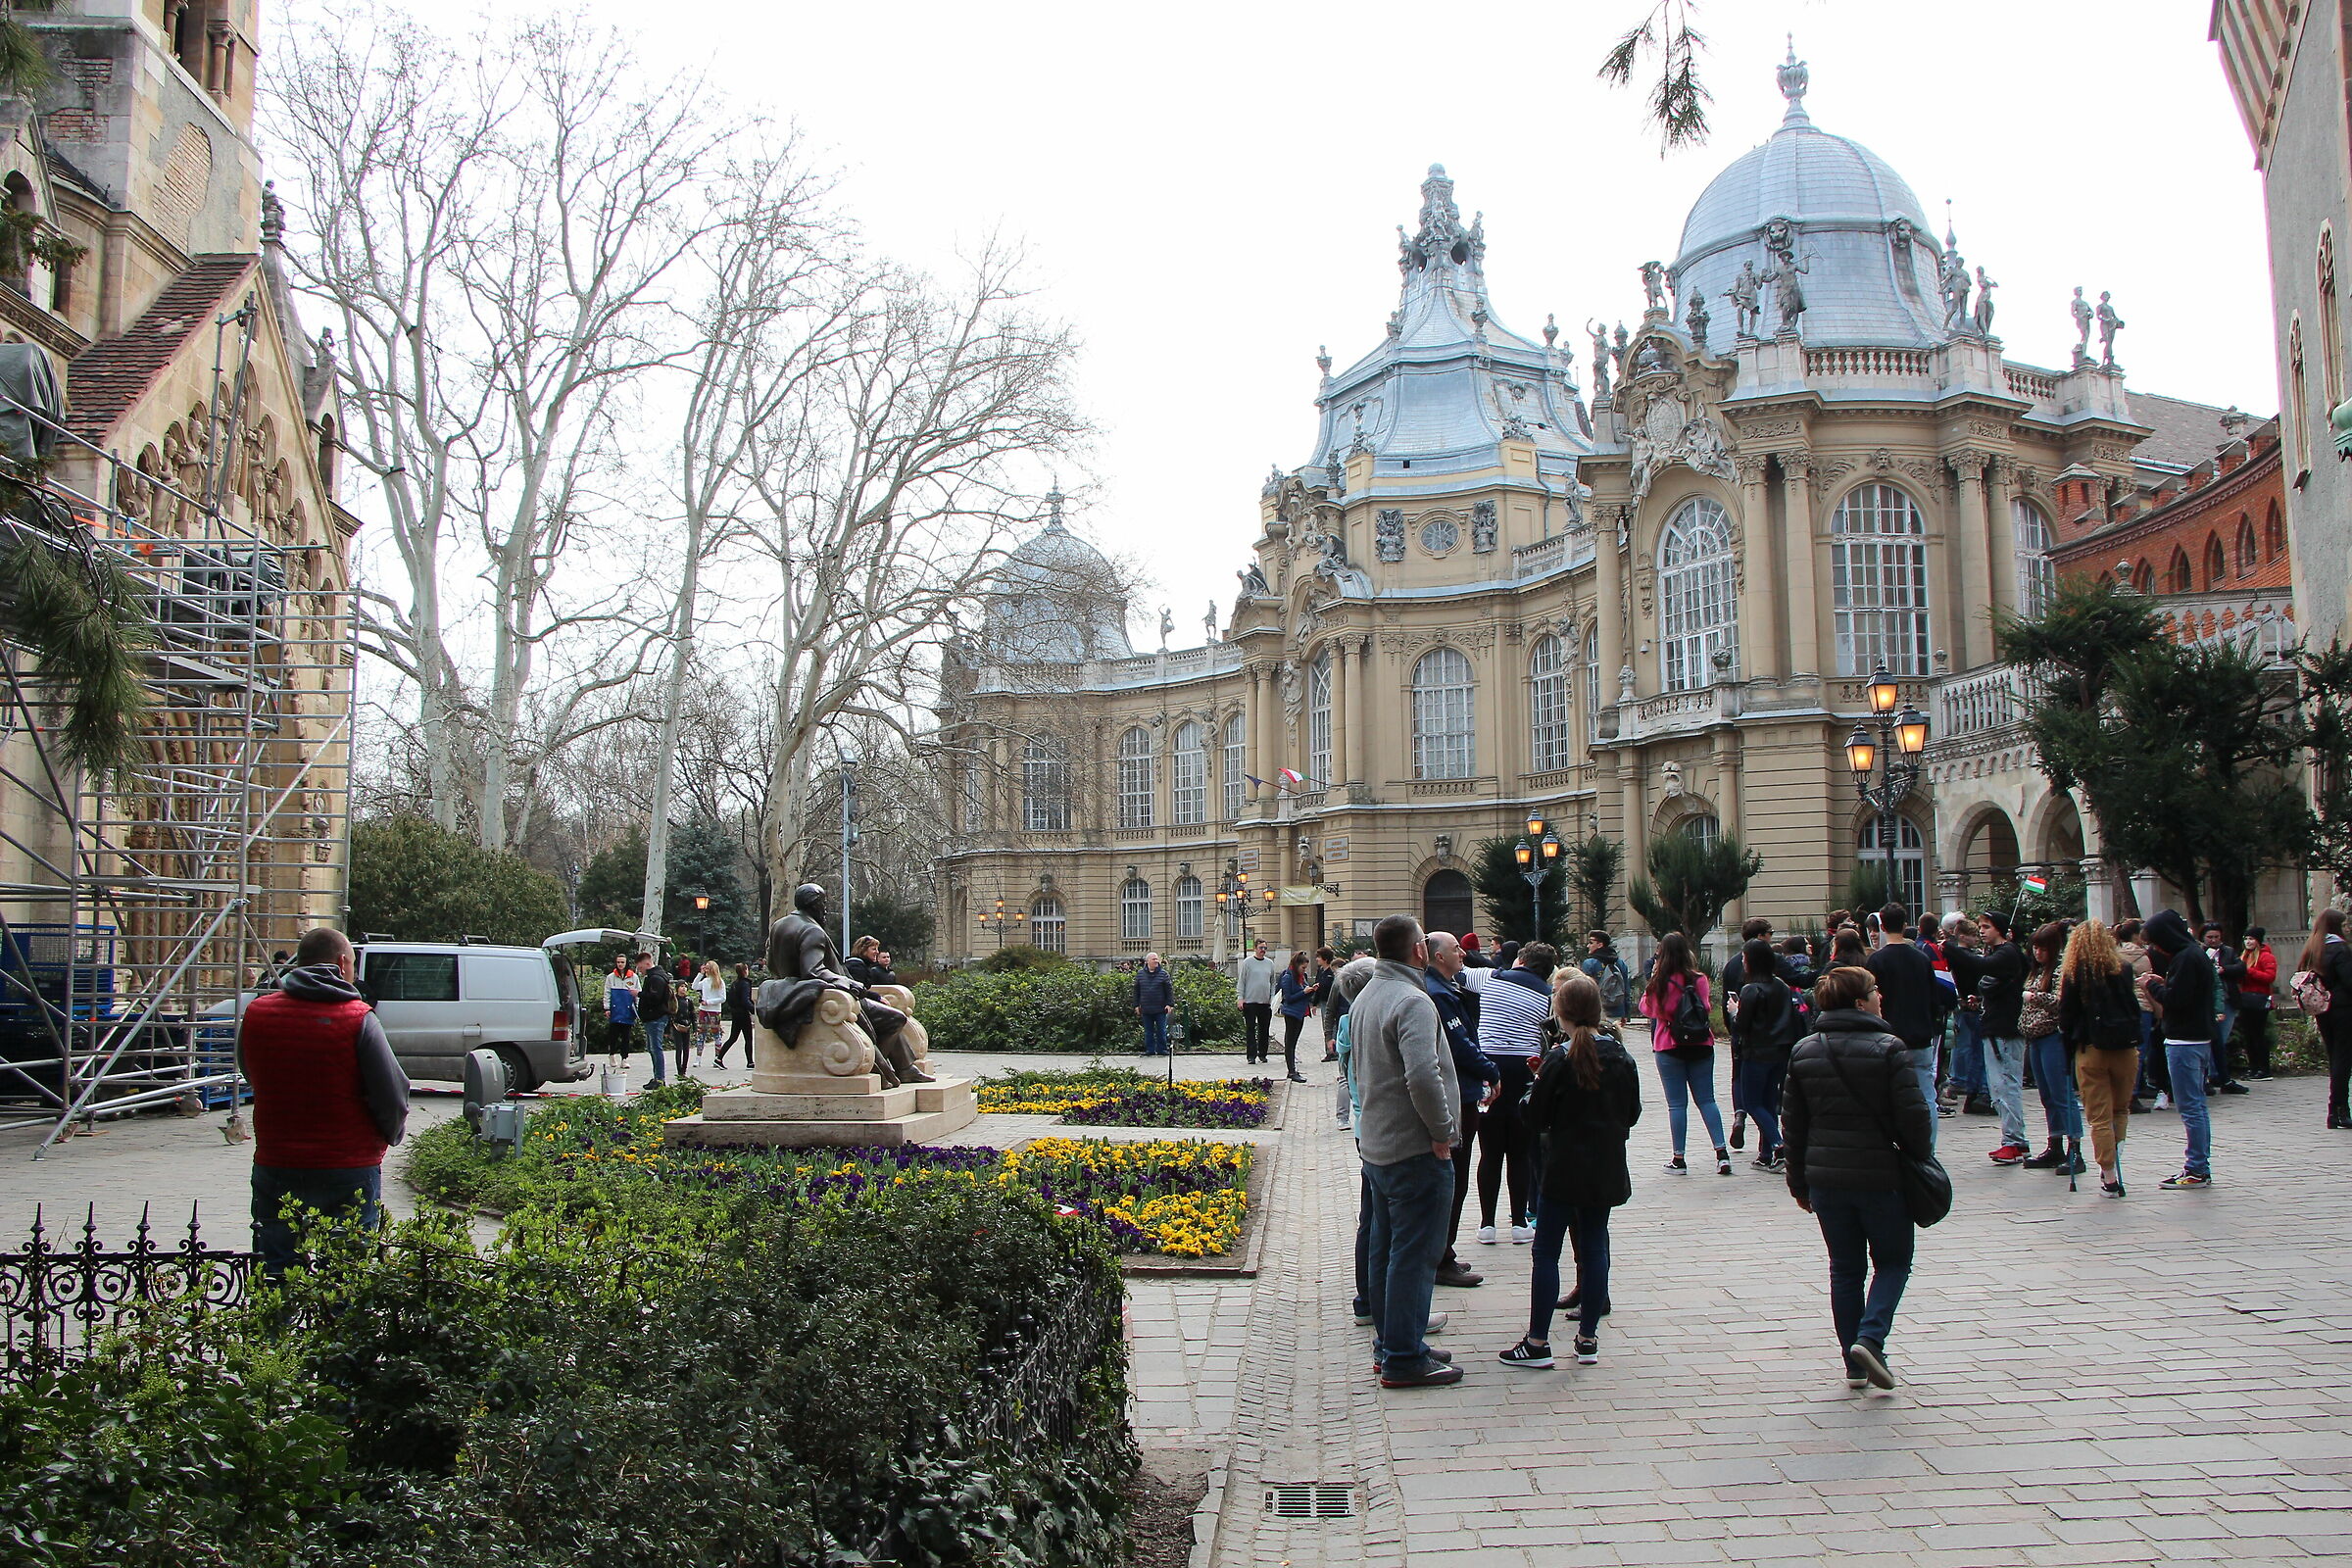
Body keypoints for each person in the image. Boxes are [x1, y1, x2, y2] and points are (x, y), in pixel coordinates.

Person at [1782, 965, 1935, 1393]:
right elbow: (1914, 1118)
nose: (1880, 995)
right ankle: (1870, 1338)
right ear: (1859, 1002)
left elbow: (1793, 1125)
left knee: (1844, 1269)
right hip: (1882, 1176)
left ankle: (1852, 1358)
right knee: (1893, 1261)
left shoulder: (1805, 1050)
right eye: (1874, 990)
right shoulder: (1890, 1048)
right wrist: (1921, 1159)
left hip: (1826, 1178)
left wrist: (1799, 1183)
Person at [236, 927, 410, 1276]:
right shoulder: (358, 1018)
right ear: (343, 963)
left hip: (277, 1162)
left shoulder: (258, 1013)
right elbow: (392, 1095)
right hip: (348, 1165)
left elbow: (250, 1072)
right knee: (344, 1274)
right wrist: (389, 1136)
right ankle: (339, 1331)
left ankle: (276, 1331)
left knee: (278, 1271)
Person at [1499, 973, 1641, 1370]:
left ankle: (1538, 1340)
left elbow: (1534, 1115)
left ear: (1560, 1013)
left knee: (1547, 1252)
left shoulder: (1559, 1059)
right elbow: (1632, 1113)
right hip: (1606, 1165)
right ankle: (1588, 1338)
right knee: (1595, 1248)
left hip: (1562, 1166)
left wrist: (1534, 1084)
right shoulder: (1620, 1056)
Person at [1350, 914, 1466, 1388]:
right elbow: (1422, 1075)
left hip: (1377, 1143)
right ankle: (1403, 1356)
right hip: (1413, 1148)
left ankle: (1394, 1342)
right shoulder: (1412, 1001)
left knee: (1385, 1250)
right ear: (1419, 951)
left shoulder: (1365, 995)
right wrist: (1443, 1130)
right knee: (1414, 1254)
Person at [1424, 932, 1500, 1287]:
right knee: (1453, 1177)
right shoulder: (1438, 993)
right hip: (1458, 1096)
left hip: (1463, 1091)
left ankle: (1445, 1251)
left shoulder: (1445, 988)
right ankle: (1440, 1256)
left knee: (1455, 1177)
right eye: (1456, 949)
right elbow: (1460, 1045)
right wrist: (1490, 1070)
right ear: (1439, 957)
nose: (1463, 953)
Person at [1473, 943, 1555, 1245]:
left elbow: (1460, 975)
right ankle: (1520, 1222)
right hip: (1525, 1071)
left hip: (1489, 1070)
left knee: (1490, 1152)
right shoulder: (1546, 995)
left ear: (1520, 959)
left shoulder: (1491, 978)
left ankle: (1486, 1224)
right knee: (1520, 1152)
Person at [2059, 920, 2142, 1197]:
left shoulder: (2075, 974)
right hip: (2125, 1048)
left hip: (2091, 1048)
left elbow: (2066, 1018)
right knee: (2120, 1110)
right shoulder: (2124, 969)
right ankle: (2114, 1158)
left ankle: (2108, 1174)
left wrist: (2066, 1051)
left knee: (2099, 1116)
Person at [1637, 931, 1732, 1176]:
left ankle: (1679, 1158)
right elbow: (1706, 1007)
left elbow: (1647, 1009)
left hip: (1669, 1044)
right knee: (1707, 1099)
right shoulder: (1699, 979)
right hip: (1701, 1043)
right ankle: (1721, 1153)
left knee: (1677, 1104)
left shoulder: (1659, 981)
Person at [2140, 909, 2218, 1189]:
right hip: (2196, 1038)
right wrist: (2165, 982)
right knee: (2196, 1105)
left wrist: (2152, 986)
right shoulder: (2194, 955)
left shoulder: (2185, 958)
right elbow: (2188, 992)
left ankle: (2196, 1168)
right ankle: (2198, 1164)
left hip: (2185, 1040)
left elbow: (2177, 1000)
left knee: (2190, 1107)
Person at [1947, 912, 2030, 1163]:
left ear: (2001, 930)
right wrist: (1982, 999)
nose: (1982, 931)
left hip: (2003, 1030)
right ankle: (2012, 1139)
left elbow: (1979, 966)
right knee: (1999, 1086)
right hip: (1996, 1027)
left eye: (1987, 927)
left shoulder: (2007, 953)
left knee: (2005, 1085)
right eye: (1981, 927)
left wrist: (1949, 948)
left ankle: (2014, 1141)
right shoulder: (2003, 954)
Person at [1865, 904, 1947, 1145]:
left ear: (1881, 926)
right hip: (1921, 1035)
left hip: (1888, 1038)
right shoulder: (1921, 958)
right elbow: (1934, 998)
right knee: (1926, 1095)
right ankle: (1927, 1147)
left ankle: (1896, 1144)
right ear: (1904, 925)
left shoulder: (1877, 961)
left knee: (1890, 1096)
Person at [2016, 922, 2084, 1175]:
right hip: (2034, 1038)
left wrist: (2035, 997)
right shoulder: (2037, 971)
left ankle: (2074, 1148)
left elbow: (2062, 1003)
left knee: (2062, 1094)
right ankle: (2054, 1143)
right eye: (2034, 947)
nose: (2037, 952)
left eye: (2042, 948)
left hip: (2052, 1036)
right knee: (2047, 1096)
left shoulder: (2060, 972)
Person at [1731, 937, 1802, 1170]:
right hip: (1780, 1051)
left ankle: (1779, 1145)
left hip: (1757, 1051)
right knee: (1769, 1101)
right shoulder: (1780, 985)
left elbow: (1741, 1025)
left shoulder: (1751, 990)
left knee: (1752, 1102)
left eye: (1744, 958)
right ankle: (1765, 1153)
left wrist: (1734, 1011)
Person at [2298, 908, 2352, 1127]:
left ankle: (2334, 1110)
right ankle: (2339, 1108)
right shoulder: (2339, 948)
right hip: (2343, 1008)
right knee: (2343, 1058)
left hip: (2322, 1009)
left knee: (2335, 1056)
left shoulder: (2313, 948)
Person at [2200, 923, 2251, 1094]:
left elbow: (2241, 968)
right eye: (2210, 937)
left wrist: (2224, 970)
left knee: (2221, 1039)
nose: (2214, 940)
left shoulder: (2228, 952)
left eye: (2216, 937)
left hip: (2228, 999)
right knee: (2209, 1041)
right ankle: (2207, 1075)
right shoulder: (2198, 953)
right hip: (2208, 1002)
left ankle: (2218, 1074)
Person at [2114, 916, 2159, 1108]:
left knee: (2130, 1051)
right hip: (2143, 1005)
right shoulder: (2143, 956)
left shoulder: (2115, 954)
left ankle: (2130, 1089)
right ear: (2135, 935)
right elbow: (2147, 984)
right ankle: (2132, 1093)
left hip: (2123, 1006)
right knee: (2140, 1051)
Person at [2236, 927, 2278, 1081]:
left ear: (2258, 941)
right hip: (2246, 999)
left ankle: (2264, 1069)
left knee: (2258, 1035)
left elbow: (2269, 977)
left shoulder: (2266, 957)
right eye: (2246, 939)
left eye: (2251, 939)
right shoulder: (2244, 957)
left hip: (2259, 1000)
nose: (2248, 942)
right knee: (2248, 1036)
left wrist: (2248, 971)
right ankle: (2253, 1067)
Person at [1237, 941, 1278, 1066]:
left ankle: (1263, 1054)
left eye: (1265, 948)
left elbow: (1273, 982)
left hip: (1265, 1002)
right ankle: (1251, 1056)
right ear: (1255, 948)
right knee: (1250, 1029)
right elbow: (1242, 981)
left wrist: (1272, 998)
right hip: (1250, 1001)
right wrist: (1240, 997)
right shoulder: (1247, 963)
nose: (1263, 950)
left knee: (1264, 1029)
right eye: (1261, 948)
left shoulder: (1269, 963)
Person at [1275, 951, 1314, 1082]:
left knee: (1294, 1042)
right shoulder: (1287, 977)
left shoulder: (1302, 977)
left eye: (1305, 968)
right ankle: (1291, 1071)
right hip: (1291, 1012)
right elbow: (1289, 998)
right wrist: (1304, 992)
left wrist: (1312, 990)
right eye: (1303, 968)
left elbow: (1305, 994)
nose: (1304, 970)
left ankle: (1292, 1069)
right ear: (1296, 965)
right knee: (1290, 1043)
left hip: (1300, 1012)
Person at [634, 952, 673, 1084]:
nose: (640, 971)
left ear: (647, 963)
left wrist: (639, 994)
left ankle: (660, 1078)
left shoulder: (656, 978)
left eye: (640, 968)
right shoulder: (653, 977)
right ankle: (657, 1076)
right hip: (652, 1017)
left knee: (656, 1048)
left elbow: (655, 998)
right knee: (652, 1048)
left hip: (656, 1017)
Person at [1582, 931, 1635, 1022]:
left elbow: (1585, 991)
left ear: (1600, 945)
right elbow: (1626, 989)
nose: (1588, 946)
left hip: (1596, 1011)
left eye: (1591, 943)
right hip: (1617, 1010)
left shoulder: (1590, 963)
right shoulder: (1620, 963)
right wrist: (1626, 1013)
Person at [1134, 952, 1175, 1057]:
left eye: (1157, 959)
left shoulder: (1164, 974)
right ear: (1147, 962)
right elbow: (1136, 991)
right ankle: (1150, 1050)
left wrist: (1169, 1004)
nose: (1156, 961)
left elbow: (1169, 991)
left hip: (1160, 1008)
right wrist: (1136, 1005)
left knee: (1161, 1030)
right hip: (1146, 1009)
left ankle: (1162, 1049)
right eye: (1154, 959)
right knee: (1148, 1031)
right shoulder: (1140, 975)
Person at [716, 961, 755, 1069]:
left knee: (733, 1037)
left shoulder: (734, 984)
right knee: (748, 1038)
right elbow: (745, 1000)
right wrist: (754, 1010)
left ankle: (719, 1058)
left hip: (735, 1013)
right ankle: (750, 1062)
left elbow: (731, 999)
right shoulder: (745, 983)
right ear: (745, 971)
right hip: (743, 1013)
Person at [691, 959, 726, 1069]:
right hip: (704, 1009)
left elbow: (723, 998)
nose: (705, 969)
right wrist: (699, 974)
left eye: (707, 968)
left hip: (714, 1010)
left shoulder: (719, 982)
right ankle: (698, 1058)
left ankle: (717, 1057)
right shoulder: (705, 981)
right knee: (701, 1033)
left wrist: (709, 1001)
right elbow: (694, 986)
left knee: (716, 1034)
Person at [604, 956, 639, 1064]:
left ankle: (624, 1058)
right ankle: (612, 1055)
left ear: (626, 963)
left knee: (626, 1036)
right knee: (613, 1035)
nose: (620, 964)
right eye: (618, 962)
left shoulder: (634, 977)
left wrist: (637, 1008)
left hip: (628, 1010)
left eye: (622, 962)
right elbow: (607, 993)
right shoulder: (611, 977)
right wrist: (607, 1008)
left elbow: (638, 993)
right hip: (615, 1010)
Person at [1311, 947, 1339, 1060]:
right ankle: (1329, 1051)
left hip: (1331, 1001)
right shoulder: (1321, 971)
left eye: (1319, 957)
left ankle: (1334, 1050)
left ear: (1325, 959)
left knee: (1333, 1026)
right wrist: (1314, 1003)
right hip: (1323, 1002)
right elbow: (1317, 987)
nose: (1317, 959)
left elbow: (1331, 988)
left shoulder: (1331, 972)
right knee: (1326, 1026)